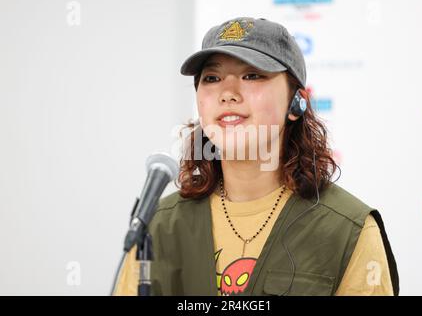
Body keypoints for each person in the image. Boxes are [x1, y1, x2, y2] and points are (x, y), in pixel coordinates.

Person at [114, 17, 399, 296]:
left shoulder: (347, 230)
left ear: (296, 102)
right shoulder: (158, 225)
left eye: (252, 75)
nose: (227, 93)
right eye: (212, 78)